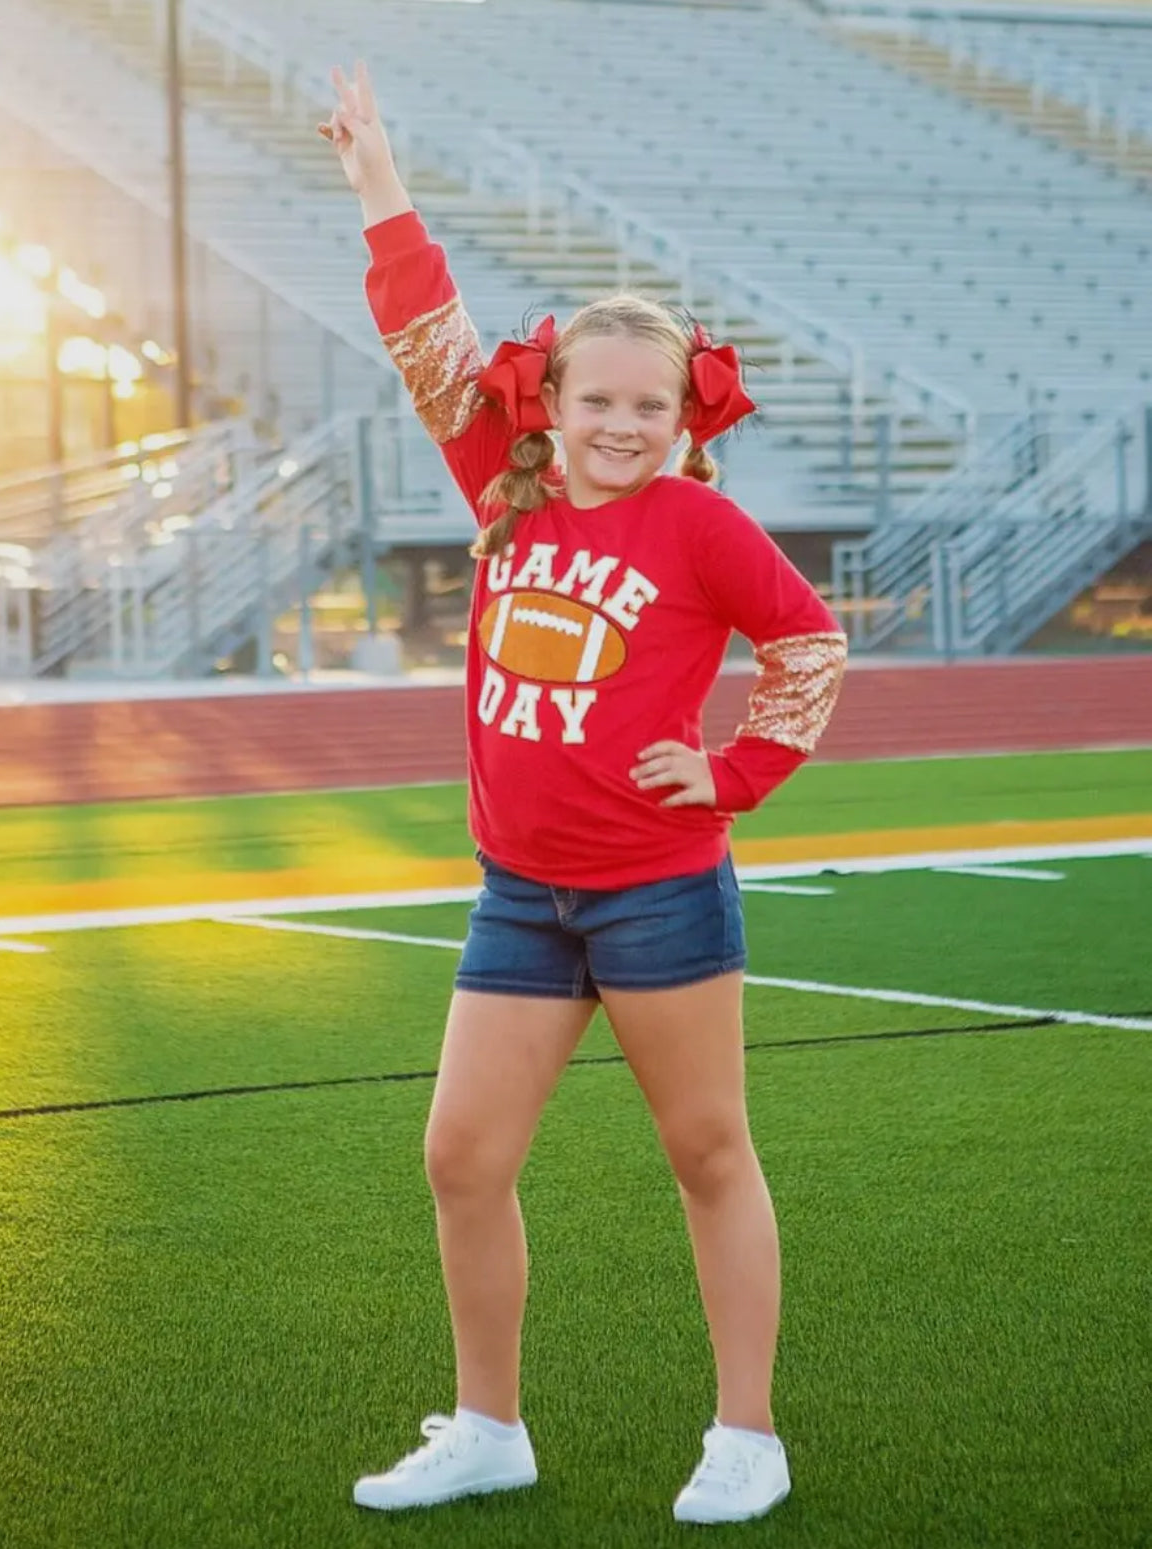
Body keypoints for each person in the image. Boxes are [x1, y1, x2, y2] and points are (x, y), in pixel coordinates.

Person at [321, 60, 847, 1527]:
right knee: (460, 1154)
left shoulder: (700, 523)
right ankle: (489, 1424)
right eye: (596, 399)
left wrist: (733, 770)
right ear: (545, 401)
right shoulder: (506, 482)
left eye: (650, 404)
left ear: (684, 414)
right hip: (519, 895)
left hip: (659, 888)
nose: (621, 424)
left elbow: (807, 641)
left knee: (704, 1147)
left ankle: (746, 1430)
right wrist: (377, 177)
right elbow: (425, 333)